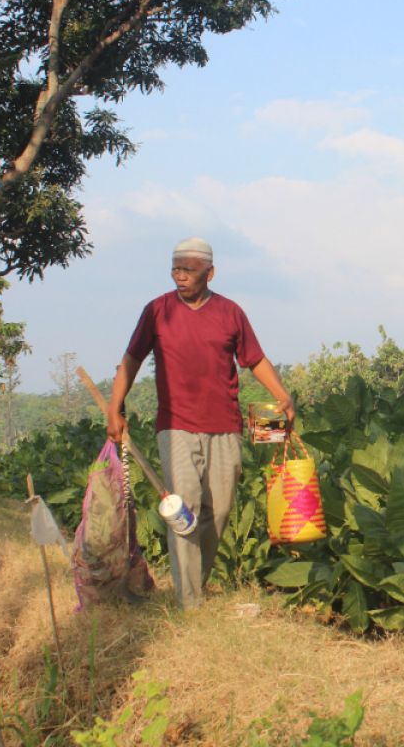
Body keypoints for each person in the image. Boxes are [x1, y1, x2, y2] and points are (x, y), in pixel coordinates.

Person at [107, 237, 295, 609]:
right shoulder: (157, 311)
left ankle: (195, 583)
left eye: (188, 271)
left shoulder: (230, 313)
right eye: (175, 269)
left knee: (219, 510)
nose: (180, 277)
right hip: (175, 424)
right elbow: (130, 359)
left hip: (225, 424)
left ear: (210, 273)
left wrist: (282, 396)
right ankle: (188, 603)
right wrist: (115, 408)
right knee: (185, 505)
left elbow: (254, 359)